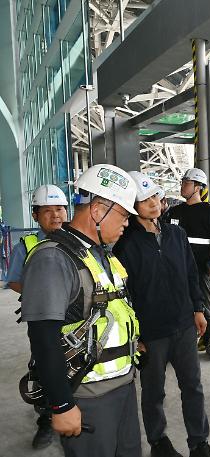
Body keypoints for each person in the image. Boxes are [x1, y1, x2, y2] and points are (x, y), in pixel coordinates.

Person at [19, 164, 141, 457]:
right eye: (124, 215)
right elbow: (43, 338)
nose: (127, 223)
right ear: (98, 211)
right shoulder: (53, 259)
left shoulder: (100, 254)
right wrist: (61, 404)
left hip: (122, 385)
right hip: (88, 397)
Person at [113, 172, 210, 457]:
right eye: (144, 200)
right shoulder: (125, 245)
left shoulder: (176, 235)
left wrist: (198, 309)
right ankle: (159, 442)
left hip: (183, 325)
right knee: (153, 391)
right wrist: (136, 336)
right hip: (151, 332)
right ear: (133, 206)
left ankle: (199, 442)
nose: (153, 203)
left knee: (193, 386)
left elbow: (191, 274)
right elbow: (124, 294)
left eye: (155, 196)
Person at [7, 184, 68, 449]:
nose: (55, 215)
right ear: (35, 215)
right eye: (47, 211)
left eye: (59, 209)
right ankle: (47, 418)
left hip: (76, 319)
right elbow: (14, 281)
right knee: (45, 364)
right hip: (43, 320)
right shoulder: (27, 245)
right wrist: (41, 296)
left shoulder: (76, 240)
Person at [164, 168, 210, 360]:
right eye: (182, 182)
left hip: (200, 267)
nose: (182, 186)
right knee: (178, 304)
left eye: (186, 183)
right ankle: (182, 342)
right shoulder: (174, 211)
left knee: (204, 304)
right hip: (176, 268)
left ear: (198, 187)